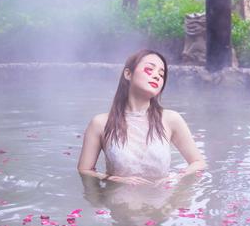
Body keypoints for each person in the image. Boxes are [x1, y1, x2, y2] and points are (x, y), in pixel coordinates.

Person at [77, 49, 206, 186]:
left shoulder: (171, 119)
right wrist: (110, 179)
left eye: (161, 75)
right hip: (118, 203)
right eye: (150, 69)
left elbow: (198, 162)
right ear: (128, 74)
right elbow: (84, 170)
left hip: (161, 204)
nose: (157, 76)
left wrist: (176, 177)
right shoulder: (100, 123)